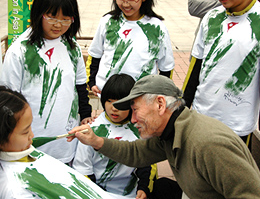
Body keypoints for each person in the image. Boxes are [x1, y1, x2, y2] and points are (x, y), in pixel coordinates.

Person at [67, 75, 260, 199]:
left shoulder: (208, 143)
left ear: (160, 104)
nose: (132, 119)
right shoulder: (170, 132)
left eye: (135, 110)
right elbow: (136, 153)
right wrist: (96, 141)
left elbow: (250, 194)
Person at [0, 85, 135, 199]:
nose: (32, 135)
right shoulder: (16, 190)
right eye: (25, 131)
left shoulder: (20, 151)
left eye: (30, 127)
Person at [0, 0, 92, 164]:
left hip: (67, 142)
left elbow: (80, 85)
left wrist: (85, 114)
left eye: (66, 19)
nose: (58, 25)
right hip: (33, 144)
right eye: (52, 17)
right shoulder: (20, 51)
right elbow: (7, 100)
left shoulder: (71, 48)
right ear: (38, 13)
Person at [182, 0, 260, 149]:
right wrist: (182, 108)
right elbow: (195, 68)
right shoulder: (211, 17)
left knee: (230, 175)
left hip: (236, 126)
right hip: (200, 118)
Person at [73, 74, 157, 199]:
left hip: (130, 194)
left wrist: (144, 188)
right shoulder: (92, 129)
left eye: (120, 103)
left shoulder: (141, 130)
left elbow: (148, 164)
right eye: (109, 101)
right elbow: (82, 170)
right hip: (96, 194)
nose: (114, 108)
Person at [86, 0, 174, 96]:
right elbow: (95, 54)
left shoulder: (157, 27)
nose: (126, 4)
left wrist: (161, 92)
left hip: (142, 95)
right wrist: (91, 82)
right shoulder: (107, 22)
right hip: (109, 95)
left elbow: (166, 66)